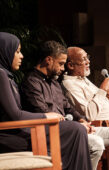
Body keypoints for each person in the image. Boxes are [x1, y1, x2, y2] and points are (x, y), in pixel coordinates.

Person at [21, 40, 109, 170]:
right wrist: (77, 125)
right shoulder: (32, 82)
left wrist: (81, 119)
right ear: (48, 60)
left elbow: (68, 107)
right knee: (96, 143)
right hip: (52, 134)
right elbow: (43, 113)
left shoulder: (54, 82)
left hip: (70, 128)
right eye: (61, 64)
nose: (63, 68)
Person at [0, 32, 92, 170]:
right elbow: (15, 115)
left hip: (18, 131)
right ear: (4, 51)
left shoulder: (7, 76)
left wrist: (80, 119)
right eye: (17, 51)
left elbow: (67, 106)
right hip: (9, 137)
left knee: (76, 130)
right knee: (75, 130)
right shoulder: (1, 75)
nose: (21, 56)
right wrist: (46, 116)